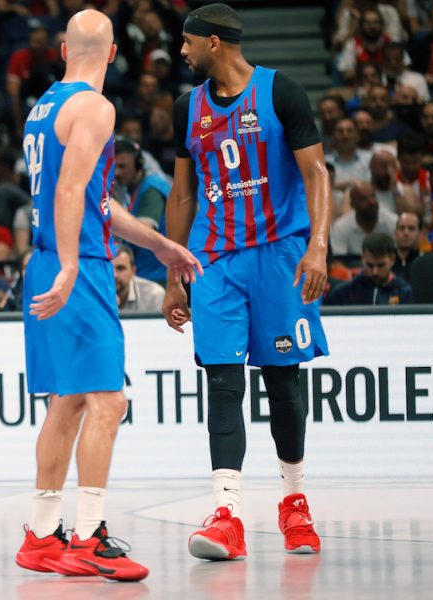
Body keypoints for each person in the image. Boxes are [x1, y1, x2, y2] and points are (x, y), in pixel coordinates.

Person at [15, 10, 200, 582]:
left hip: (44, 259)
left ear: (64, 51)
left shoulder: (43, 107)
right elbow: (71, 191)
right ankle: (90, 536)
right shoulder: (95, 107)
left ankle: (42, 535)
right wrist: (73, 264)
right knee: (108, 402)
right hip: (77, 264)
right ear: (114, 52)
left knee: (69, 401)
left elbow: (93, 200)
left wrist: (158, 244)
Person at [164, 3, 332, 561]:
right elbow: (182, 195)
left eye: (187, 42)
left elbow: (316, 173)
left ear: (213, 42)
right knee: (222, 380)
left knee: (283, 382)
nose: (181, 51)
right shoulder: (187, 108)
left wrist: (318, 246)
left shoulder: (281, 92)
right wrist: (173, 275)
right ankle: (227, 514)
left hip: (279, 254)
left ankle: (294, 503)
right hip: (215, 260)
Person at [114, 137, 169, 284]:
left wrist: (113, 228)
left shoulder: (152, 189)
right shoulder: (131, 190)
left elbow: (145, 230)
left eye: (122, 166)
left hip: (156, 279)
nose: (117, 172)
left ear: (138, 164)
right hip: (144, 275)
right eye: (114, 166)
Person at [325, 232, 413, 304]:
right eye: (370, 265)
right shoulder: (343, 293)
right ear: (362, 259)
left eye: (381, 265)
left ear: (392, 260)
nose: (375, 272)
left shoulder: (405, 292)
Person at [330, 182, 399, 256]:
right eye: (364, 199)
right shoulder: (341, 227)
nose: (372, 202)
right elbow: (338, 259)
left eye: (373, 196)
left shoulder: (393, 222)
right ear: (353, 205)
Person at [113, 244, 165, 312]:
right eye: (108, 269)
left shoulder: (153, 295)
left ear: (133, 271)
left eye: (120, 268)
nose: (114, 275)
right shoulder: (97, 294)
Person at [392, 211, 424, 282]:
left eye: (411, 228)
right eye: (401, 228)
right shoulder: (385, 264)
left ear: (420, 234)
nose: (406, 233)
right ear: (395, 233)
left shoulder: (426, 264)